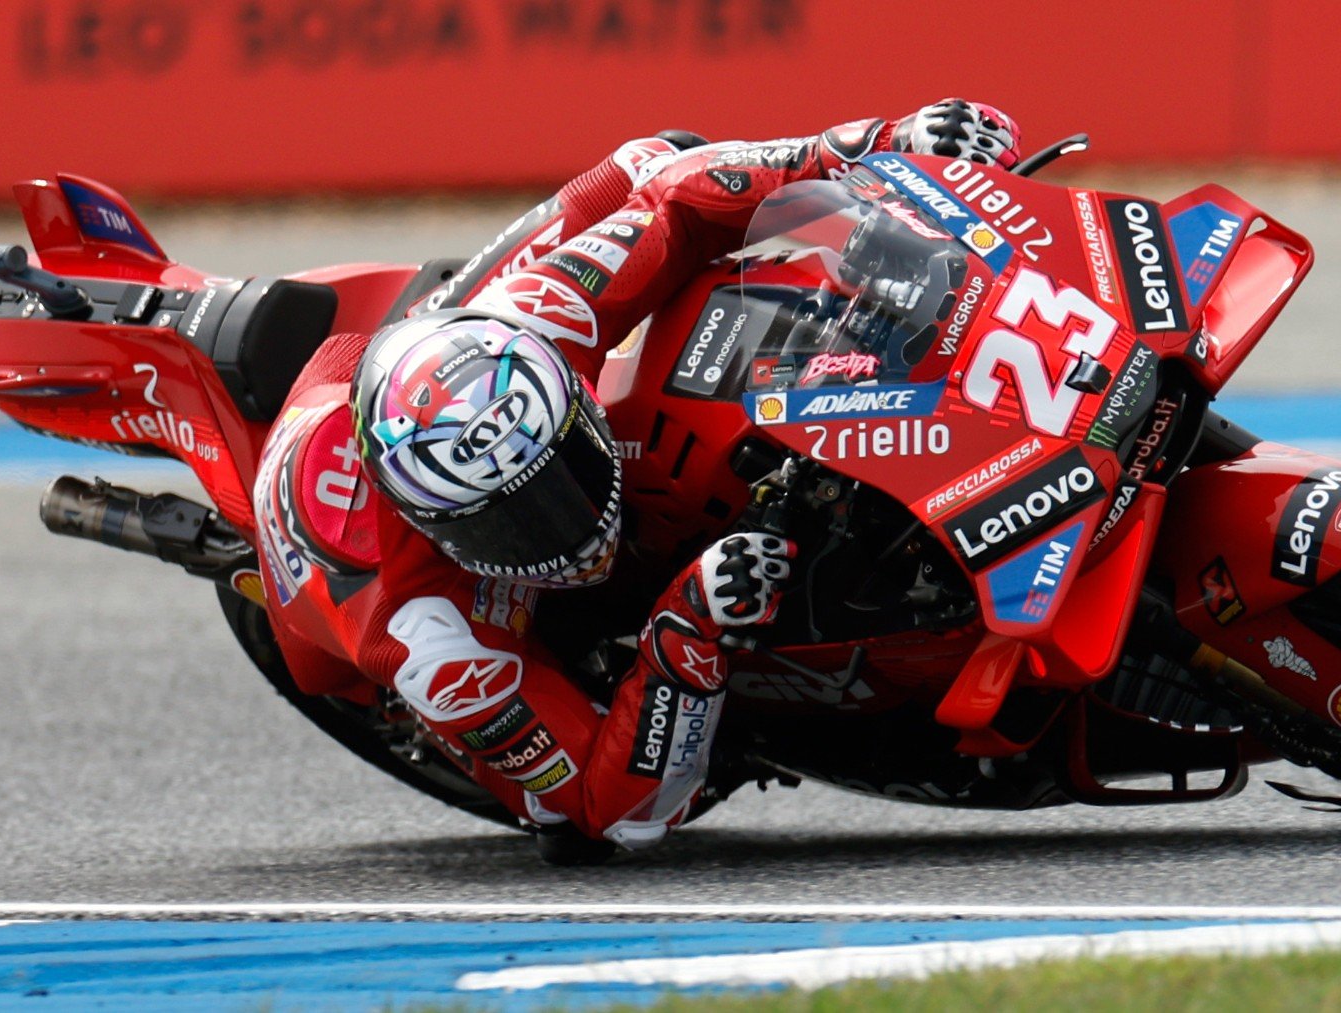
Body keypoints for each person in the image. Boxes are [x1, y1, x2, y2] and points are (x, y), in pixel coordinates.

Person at [251, 99, 1023, 863]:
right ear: (440, 528)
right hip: (338, 577)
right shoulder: (427, 637)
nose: (571, 526)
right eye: (512, 523)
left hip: (411, 359)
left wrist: (879, 142)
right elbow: (609, 811)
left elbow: (678, 196)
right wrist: (688, 628)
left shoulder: (539, 322)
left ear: (569, 398)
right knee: (541, 810)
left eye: (567, 468)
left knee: (649, 156)